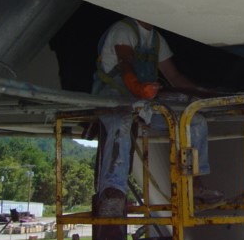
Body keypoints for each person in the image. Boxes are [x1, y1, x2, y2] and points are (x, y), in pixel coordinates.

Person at [92, 18, 223, 220]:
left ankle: (193, 183)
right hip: (113, 96)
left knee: (194, 120)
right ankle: (113, 193)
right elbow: (125, 63)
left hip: (143, 100)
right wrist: (137, 87)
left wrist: (200, 94)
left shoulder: (156, 39)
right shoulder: (123, 30)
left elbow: (174, 77)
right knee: (122, 123)